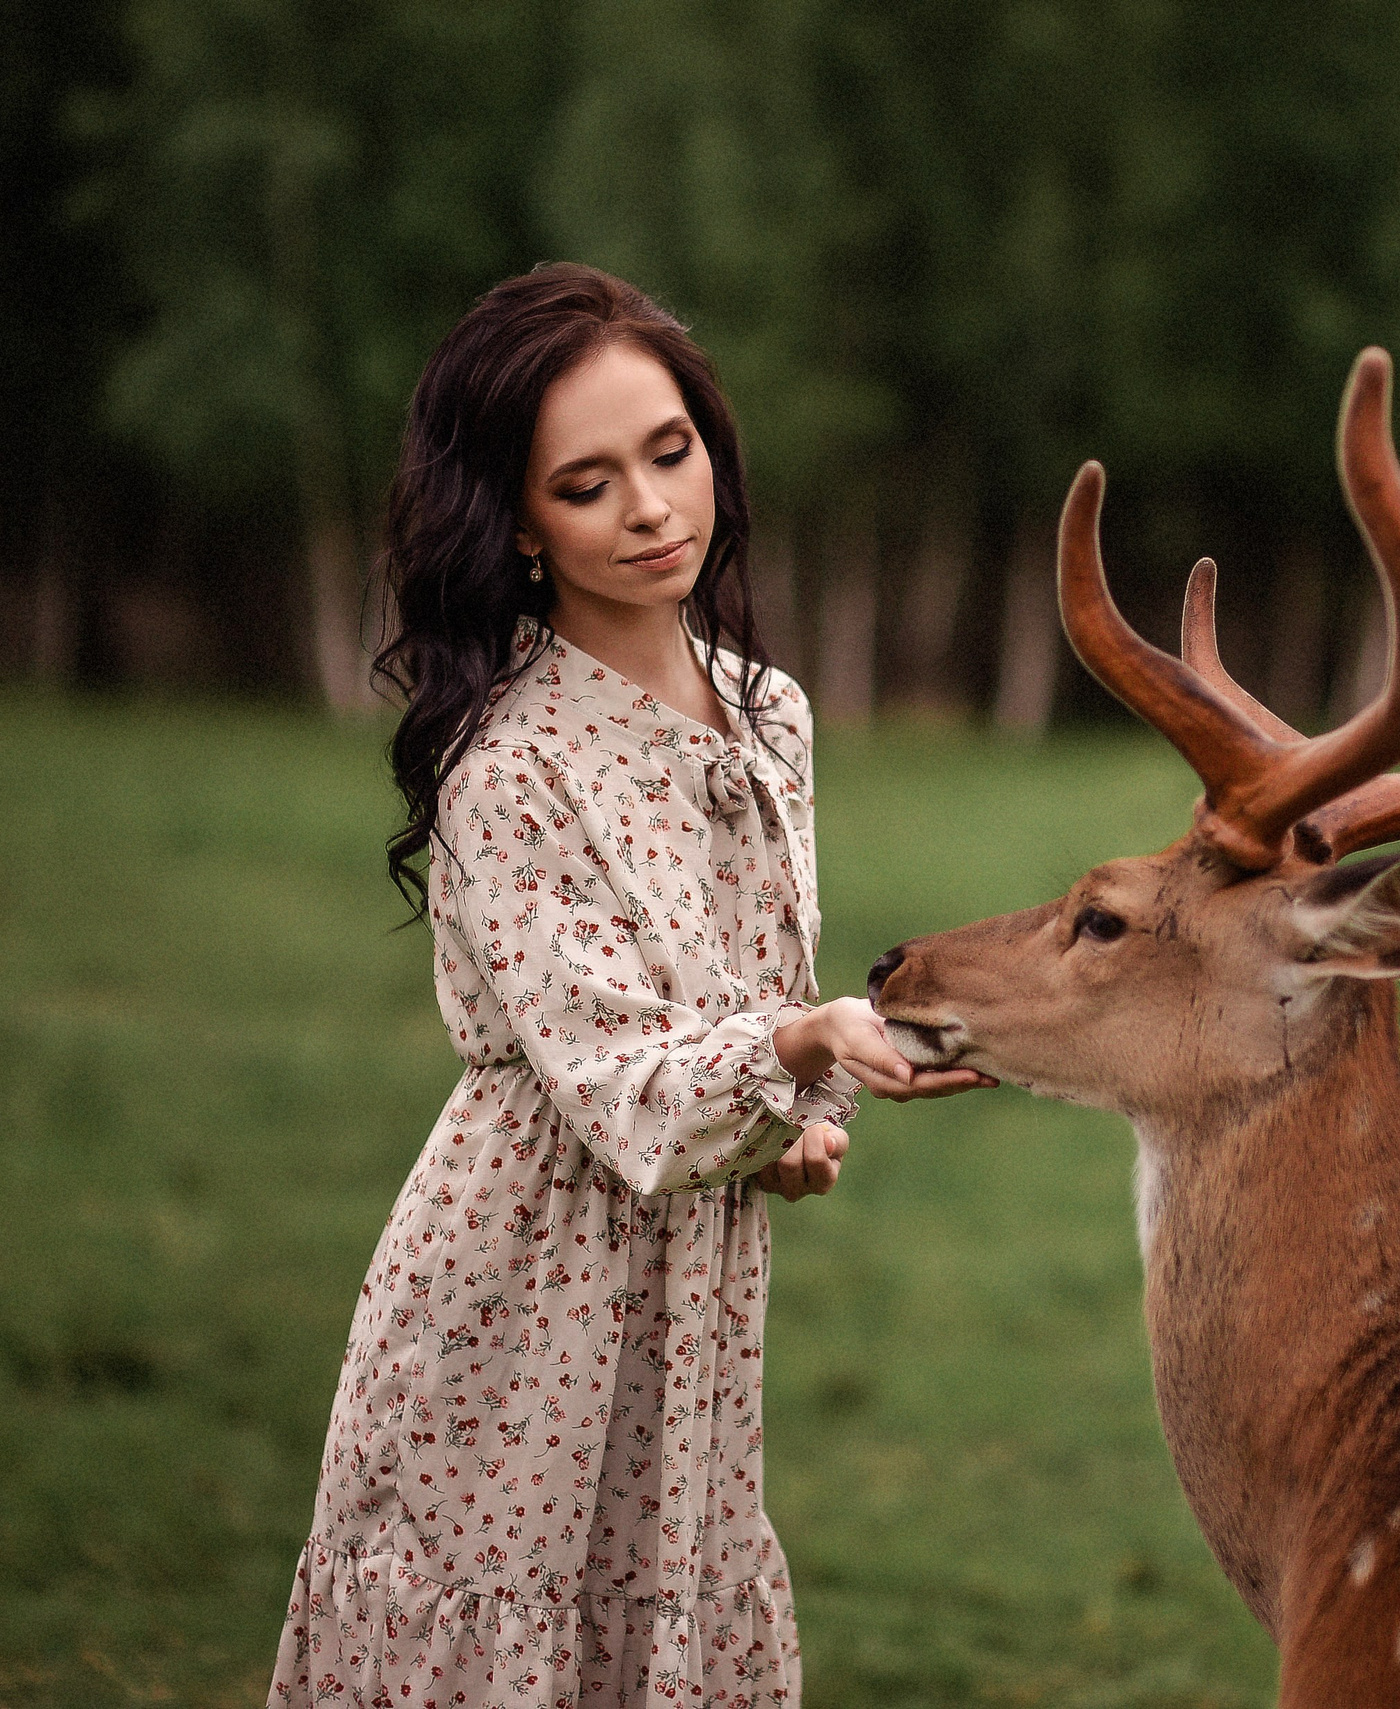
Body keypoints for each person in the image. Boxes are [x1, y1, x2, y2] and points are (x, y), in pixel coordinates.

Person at [269, 263, 990, 1707]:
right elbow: (615, 1075)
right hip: (519, 1295)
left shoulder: (769, 710)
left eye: (669, 452)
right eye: (587, 485)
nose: (652, 507)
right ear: (520, 527)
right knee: (512, 1651)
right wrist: (797, 1044)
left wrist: (789, 1123)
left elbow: (731, 1006)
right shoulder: (510, 762)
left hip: (696, 1305)